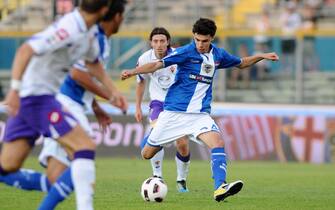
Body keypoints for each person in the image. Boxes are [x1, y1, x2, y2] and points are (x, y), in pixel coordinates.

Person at [121, 18, 279, 202]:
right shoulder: (185, 52)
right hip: (173, 114)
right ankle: (153, 135)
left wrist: (262, 55)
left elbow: (241, 62)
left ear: (212, 38)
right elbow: (157, 64)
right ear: (193, 37)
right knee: (146, 154)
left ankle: (220, 187)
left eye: (205, 41)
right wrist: (133, 71)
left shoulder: (218, 55)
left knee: (218, 143)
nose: (200, 44)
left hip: (200, 116)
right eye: (197, 40)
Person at [0, 1, 127, 210]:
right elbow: (25, 50)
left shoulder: (91, 34)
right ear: (105, 10)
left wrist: (113, 91)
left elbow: (92, 63)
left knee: (8, 165)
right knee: (84, 146)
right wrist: (14, 90)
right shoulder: (69, 27)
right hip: (37, 98)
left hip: (40, 98)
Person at [136, 27, 191, 192]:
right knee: (157, 136)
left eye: (162, 41)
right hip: (158, 102)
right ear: (151, 43)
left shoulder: (178, 55)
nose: (159, 44)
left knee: (182, 143)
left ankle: (181, 180)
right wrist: (137, 107)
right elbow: (140, 82)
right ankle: (157, 176)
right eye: (155, 41)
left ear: (168, 42)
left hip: (178, 103)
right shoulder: (145, 58)